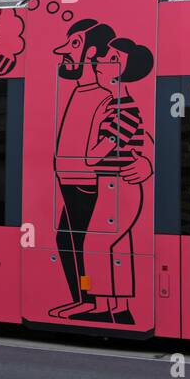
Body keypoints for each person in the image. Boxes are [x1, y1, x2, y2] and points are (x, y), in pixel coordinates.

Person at [68, 37, 154, 325]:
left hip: (117, 186)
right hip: (111, 186)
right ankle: (116, 308)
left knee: (95, 245)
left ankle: (104, 307)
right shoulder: (114, 104)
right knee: (116, 248)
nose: (100, 62)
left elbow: (94, 156)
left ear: (120, 70)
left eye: (110, 59)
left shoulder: (121, 109)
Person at [48, 19, 117, 318]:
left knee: (73, 240)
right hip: (68, 178)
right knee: (69, 239)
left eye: (74, 44)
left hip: (81, 180)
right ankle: (84, 297)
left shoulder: (102, 96)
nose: (65, 53)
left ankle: (86, 298)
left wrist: (89, 159)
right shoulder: (79, 91)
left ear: (91, 52)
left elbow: (113, 136)